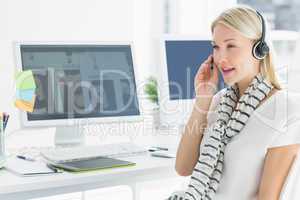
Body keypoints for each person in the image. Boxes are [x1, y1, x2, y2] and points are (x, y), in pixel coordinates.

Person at [168, 5, 300, 200]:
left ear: (259, 49)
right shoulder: (218, 101)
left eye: (231, 46)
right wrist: (203, 100)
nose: (221, 58)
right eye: (216, 47)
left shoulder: (287, 109)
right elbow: (183, 168)